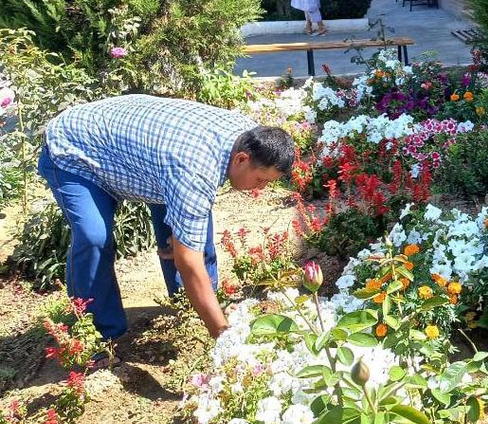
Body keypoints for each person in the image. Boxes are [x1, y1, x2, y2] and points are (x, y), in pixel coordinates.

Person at [37, 95, 295, 348]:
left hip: (145, 158)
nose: (260, 188)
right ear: (241, 159)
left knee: (191, 227)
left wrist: (184, 241)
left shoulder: (250, 137)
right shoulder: (194, 172)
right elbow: (189, 260)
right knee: (93, 237)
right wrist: (223, 338)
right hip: (75, 149)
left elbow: (190, 231)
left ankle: (189, 305)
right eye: (261, 179)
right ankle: (99, 334)